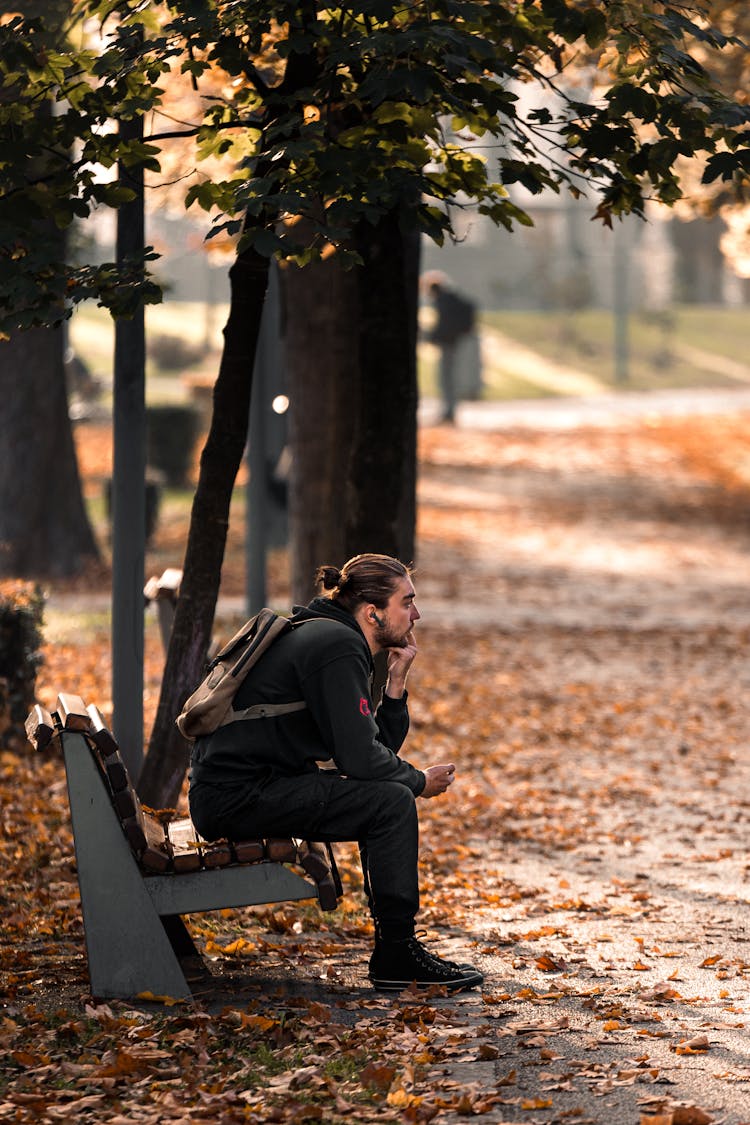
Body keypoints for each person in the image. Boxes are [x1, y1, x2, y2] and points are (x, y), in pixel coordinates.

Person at [188, 553, 484, 992]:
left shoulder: (328, 636)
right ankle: (397, 952)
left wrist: (396, 682)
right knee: (392, 802)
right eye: (407, 602)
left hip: (243, 789)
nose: (416, 614)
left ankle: (395, 950)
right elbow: (361, 761)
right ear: (372, 612)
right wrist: (419, 782)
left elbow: (368, 747)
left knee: (387, 797)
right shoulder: (336, 646)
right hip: (237, 797)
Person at [425, 278, 479, 424]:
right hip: (455, 342)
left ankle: (449, 411)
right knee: (450, 377)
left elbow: (443, 324)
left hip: (448, 343)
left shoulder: (444, 302)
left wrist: (432, 337)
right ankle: (449, 409)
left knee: (446, 378)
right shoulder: (453, 299)